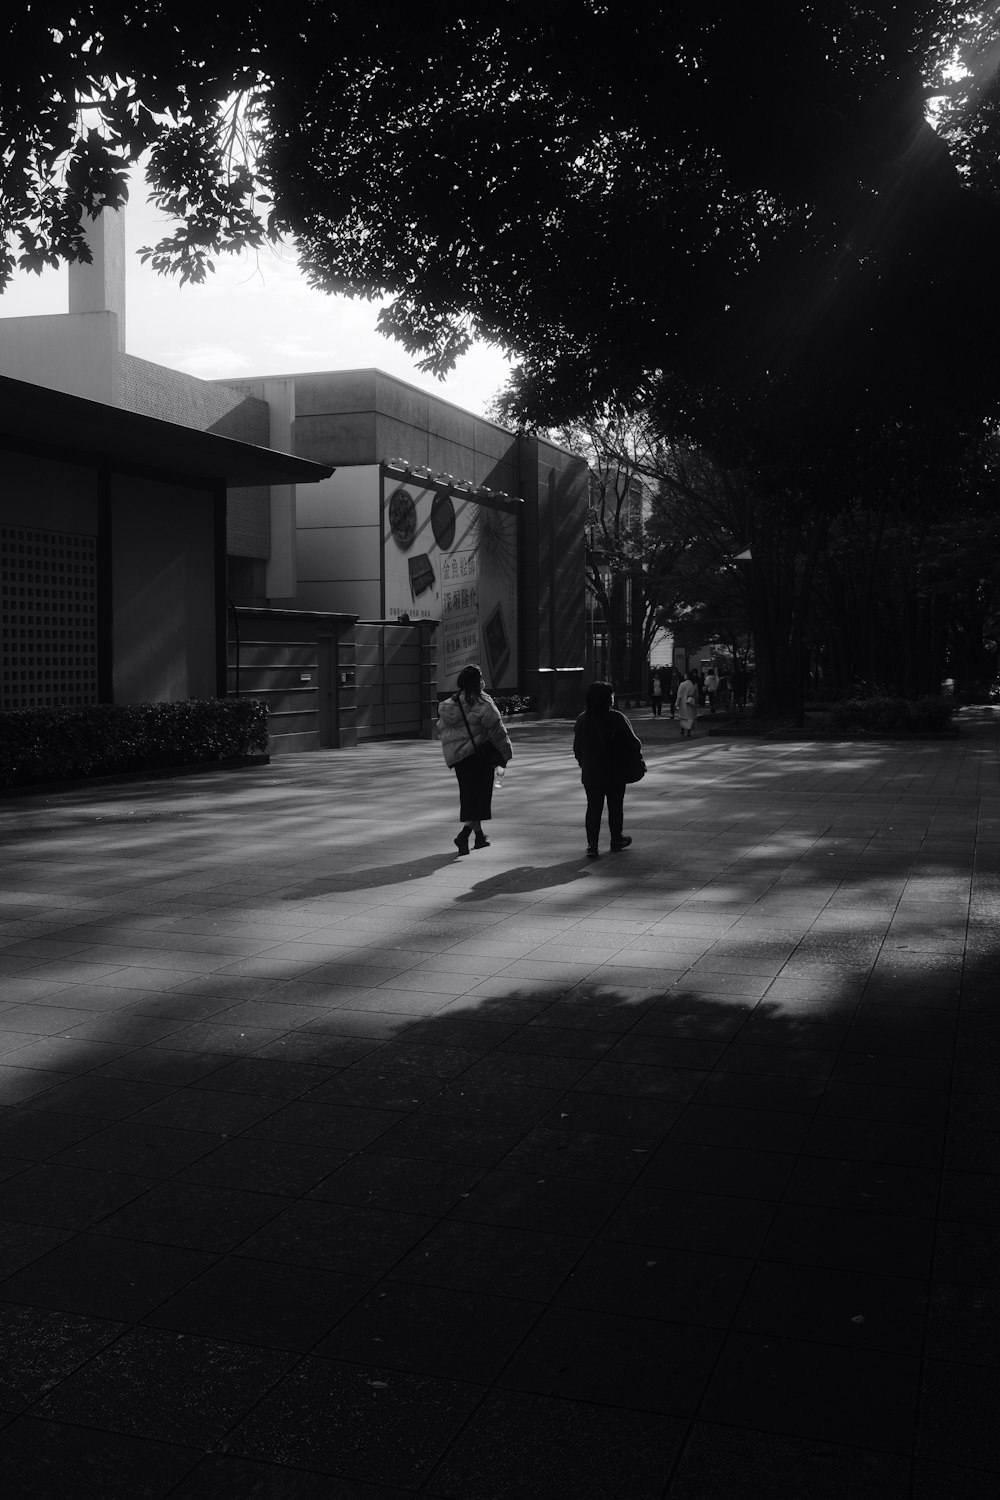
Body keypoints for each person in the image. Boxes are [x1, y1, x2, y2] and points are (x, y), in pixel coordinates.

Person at [437, 664, 513, 854]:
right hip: (479, 757)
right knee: (480, 799)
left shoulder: (449, 705)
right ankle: (463, 836)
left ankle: (479, 837)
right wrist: (506, 754)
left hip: (460, 759)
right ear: (478, 681)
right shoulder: (483, 703)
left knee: (470, 797)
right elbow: (497, 732)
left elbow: (443, 730)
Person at [573, 680, 643, 857]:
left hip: (591, 773)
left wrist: (584, 762)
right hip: (615, 772)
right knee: (615, 807)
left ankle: (592, 844)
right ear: (607, 699)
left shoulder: (583, 719)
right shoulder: (617, 718)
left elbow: (577, 748)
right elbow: (633, 743)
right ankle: (616, 838)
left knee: (593, 808)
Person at [675, 669, 699, 738]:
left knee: (683, 717)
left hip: (683, 702)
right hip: (691, 702)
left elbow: (679, 695)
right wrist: (696, 702)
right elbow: (697, 695)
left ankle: (682, 729)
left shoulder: (682, 684)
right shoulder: (694, 684)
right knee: (690, 717)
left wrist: (677, 704)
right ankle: (689, 731)